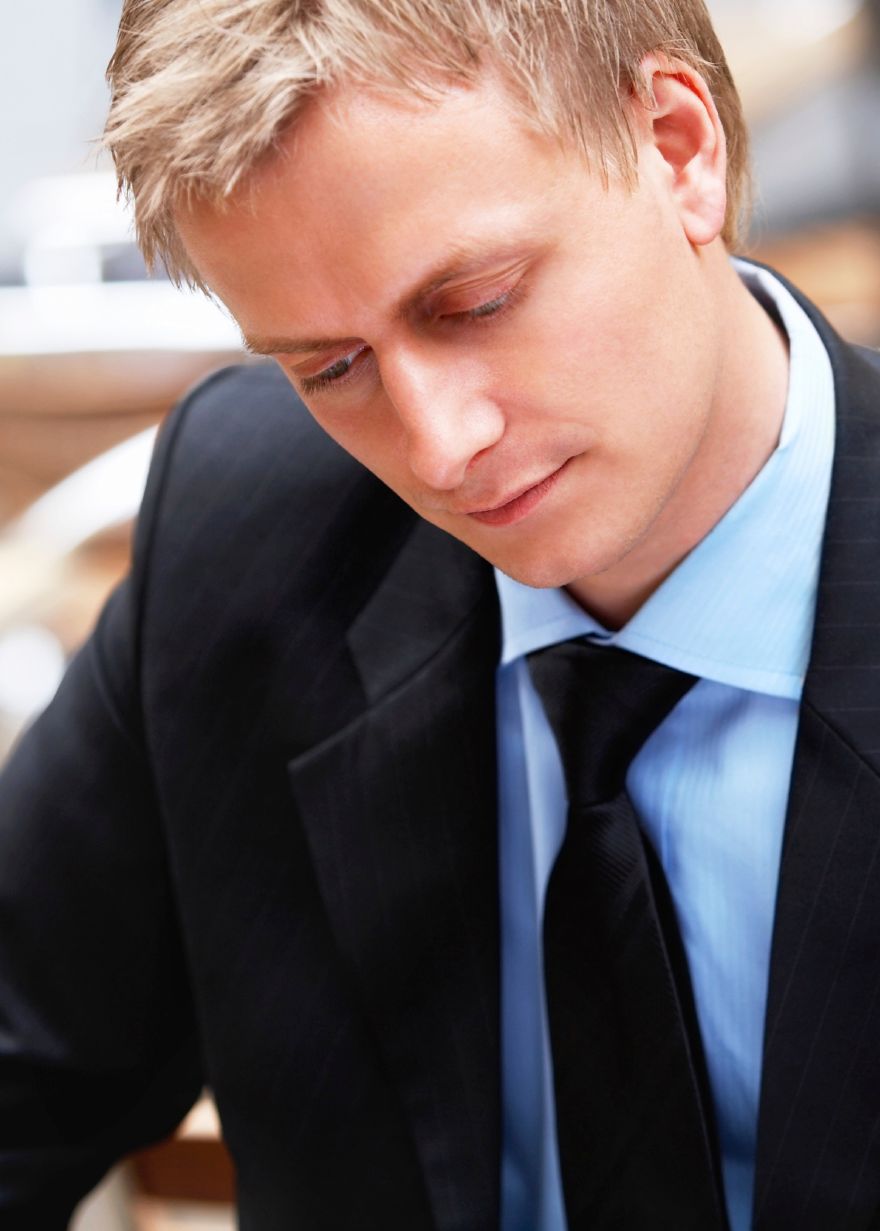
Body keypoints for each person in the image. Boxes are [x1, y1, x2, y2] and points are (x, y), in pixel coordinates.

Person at [2, 1, 880, 1228]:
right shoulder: (249, 536)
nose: (437, 447)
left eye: (474, 302)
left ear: (678, 148)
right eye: (329, 367)